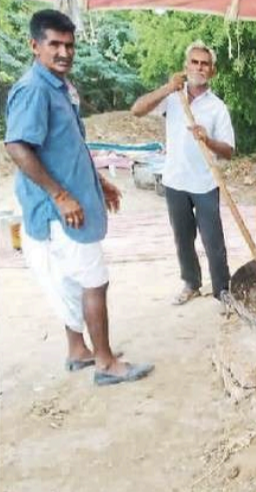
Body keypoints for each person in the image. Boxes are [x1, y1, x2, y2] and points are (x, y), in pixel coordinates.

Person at [4, 9, 153, 386]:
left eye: (69, 44)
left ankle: (78, 350)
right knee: (94, 281)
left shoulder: (60, 86)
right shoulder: (34, 90)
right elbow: (18, 147)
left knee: (71, 280)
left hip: (73, 200)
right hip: (60, 210)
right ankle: (106, 363)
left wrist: (99, 182)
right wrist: (61, 195)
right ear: (34, 46)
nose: (64, 52)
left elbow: (69, 145)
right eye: (54, 44)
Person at [131, 41, 235, 306]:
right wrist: (168, 87)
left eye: (205, 64)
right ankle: (191, 283)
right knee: (183, 238)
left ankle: (223, 290)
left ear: (212, 71)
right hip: (175, 180)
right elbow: (137, 110)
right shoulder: (172, 98)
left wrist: (208, 140)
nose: (199, 67)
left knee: (213, 241)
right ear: (186, 66)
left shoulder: (217, 107)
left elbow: (229, 151)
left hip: (205, 182)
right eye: (195, 62)